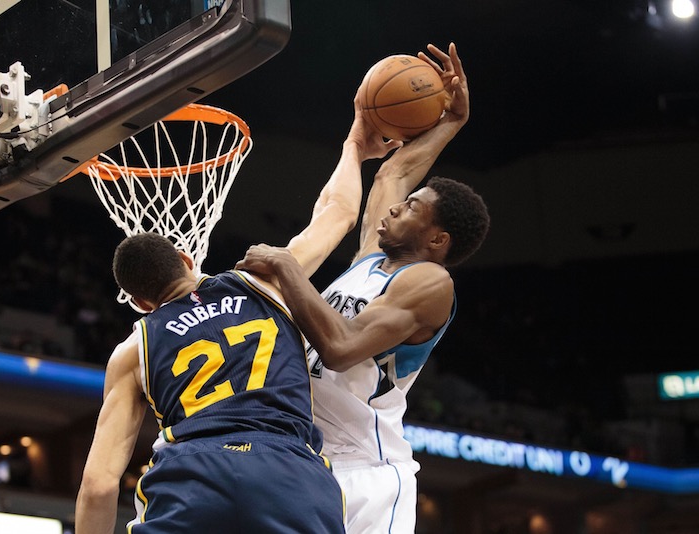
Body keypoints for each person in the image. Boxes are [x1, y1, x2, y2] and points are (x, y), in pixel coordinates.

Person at [74, 72, 404, 532]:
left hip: (191, 482)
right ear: (187, 258)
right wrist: (355, 145)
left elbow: (99, 484)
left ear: (138, 301)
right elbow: (341, 212)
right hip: (289, 475)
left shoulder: (134, 350)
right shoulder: (265, 281)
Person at [237, 42, 485, 534]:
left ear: (437, 240)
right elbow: (392, 170)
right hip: (306, 458)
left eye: (412, 208)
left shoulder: (429, 283)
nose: (395, 207)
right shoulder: (371, 260)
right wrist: (447, 122)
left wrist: (287, 266)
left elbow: (341, 347)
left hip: (367, 474)